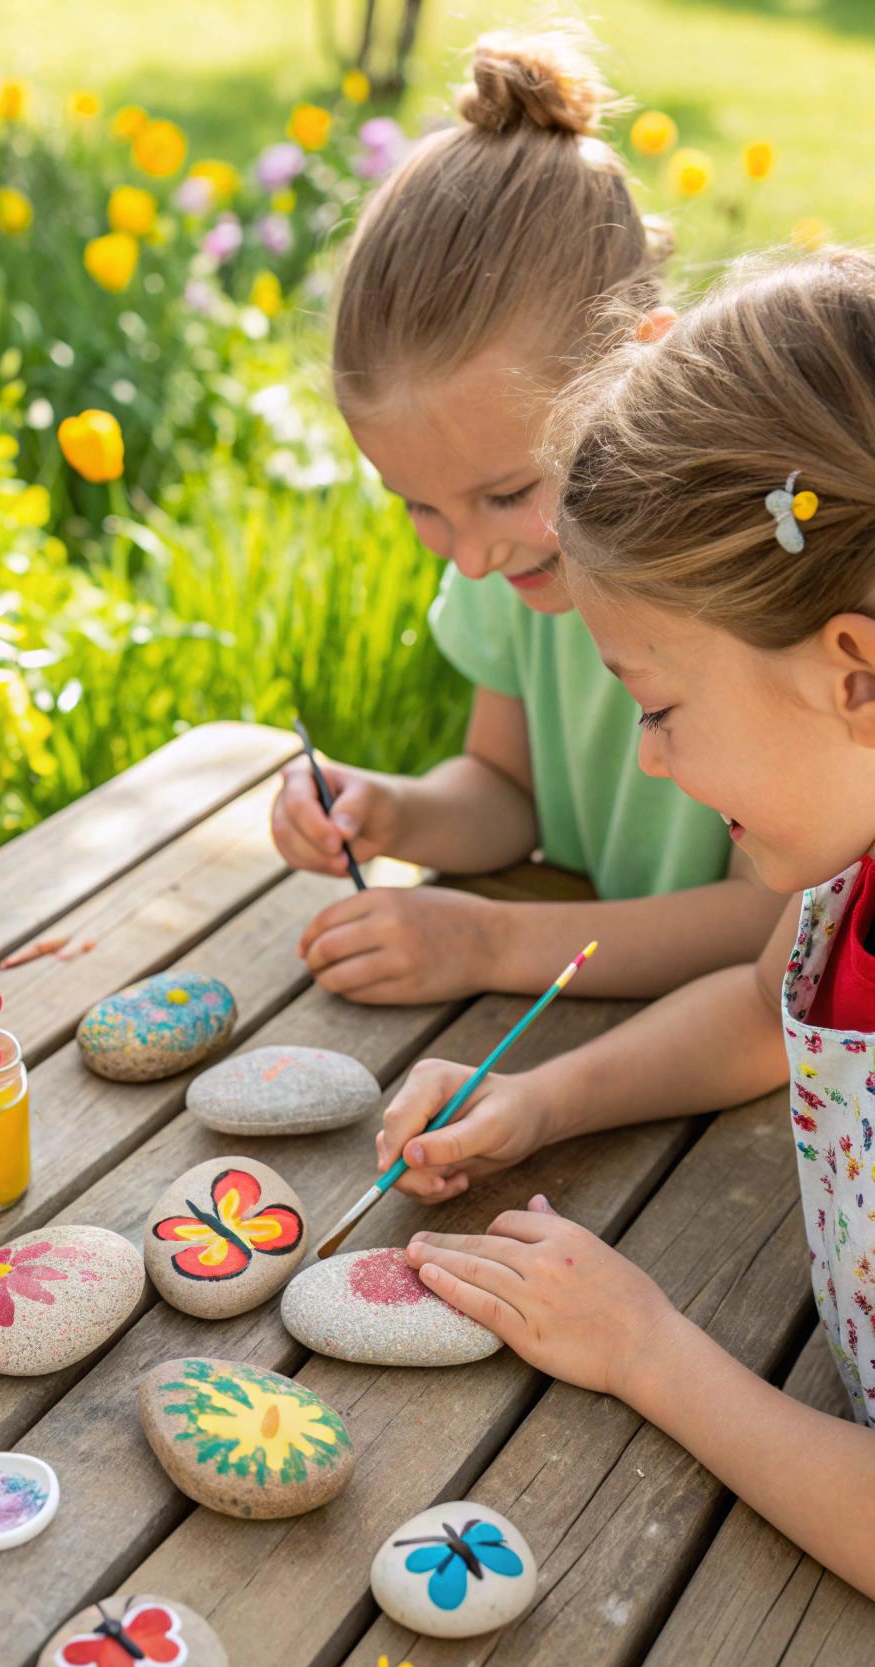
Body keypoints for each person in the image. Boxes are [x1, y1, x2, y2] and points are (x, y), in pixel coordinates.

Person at [379, 248, 875, 1597]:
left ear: (854, 672)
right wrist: (538, 1106)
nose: (648, 762)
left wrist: (644, 1349)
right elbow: (763, 1016)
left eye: (657, 707)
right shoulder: (847, 869)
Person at [271, 27, 783, 1007]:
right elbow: (506, 794)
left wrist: (489, 944)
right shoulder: (518, 566)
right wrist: (392, 811)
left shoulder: (743, 576)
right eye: (419, 506)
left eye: (507, 493)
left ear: (643, 364)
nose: (467, 555)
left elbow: (768, 923)